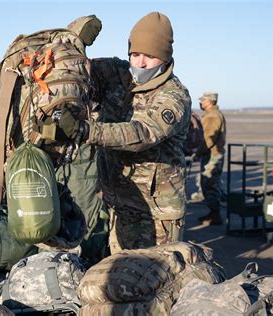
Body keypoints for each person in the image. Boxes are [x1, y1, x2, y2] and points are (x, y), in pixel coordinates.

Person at [58, 12, 192, 252]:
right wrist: (74, 39)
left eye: (149, 57)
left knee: (153, 286)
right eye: (135, 54)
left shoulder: (173, 96)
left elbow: (141, 134)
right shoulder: (116, 74)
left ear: (165, 58)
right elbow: (74, 69)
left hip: (155, 216)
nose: (140, 63)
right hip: (117, 206)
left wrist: (86, 130)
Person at [197, 92, 226, 225]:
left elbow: (208, 139)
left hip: (212, 155)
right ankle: (212, 213)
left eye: (203, 100)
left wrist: (198, 152)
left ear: (209, 101)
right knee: (210, 183)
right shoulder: (212, 115)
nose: (201, 103)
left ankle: (215, 215)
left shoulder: (212, 116)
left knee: (210, 184)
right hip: (212, 154)